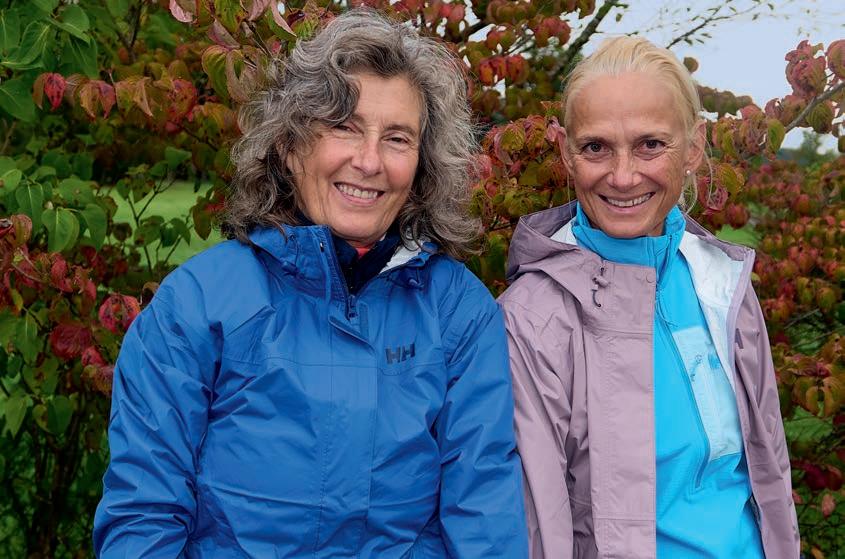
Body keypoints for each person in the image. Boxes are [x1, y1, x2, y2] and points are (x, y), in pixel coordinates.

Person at [93, 10, 528, 557]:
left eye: (397, 138)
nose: (369, 161)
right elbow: (144, 517)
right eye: (344, 126)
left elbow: (484, 516)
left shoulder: (459, 312)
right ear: (290, 145)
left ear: (422, 167)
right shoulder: (197, 304)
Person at [499, 36, 798, 558]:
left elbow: (768, 472)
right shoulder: (531, 320)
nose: (623, 176)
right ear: (566, 152)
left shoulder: (721, 284)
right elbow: (540, 530)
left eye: (650, 145)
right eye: (596, 147)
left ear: (694, 147)